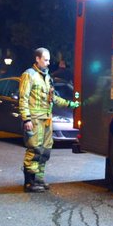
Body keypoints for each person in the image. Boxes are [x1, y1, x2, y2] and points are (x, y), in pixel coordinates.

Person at [19, 47, 80, 192]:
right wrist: (26, 119)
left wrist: (71, 104)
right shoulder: (29, 75)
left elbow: (53, 98)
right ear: (37, 59)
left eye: (49, 60)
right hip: (34, 119)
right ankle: (29, 182)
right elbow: (23, 98)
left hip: (46, 119)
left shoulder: (47, 77)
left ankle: (39, 180)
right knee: (34, 149)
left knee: (45, 151)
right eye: (45, 60)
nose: (48, 63)